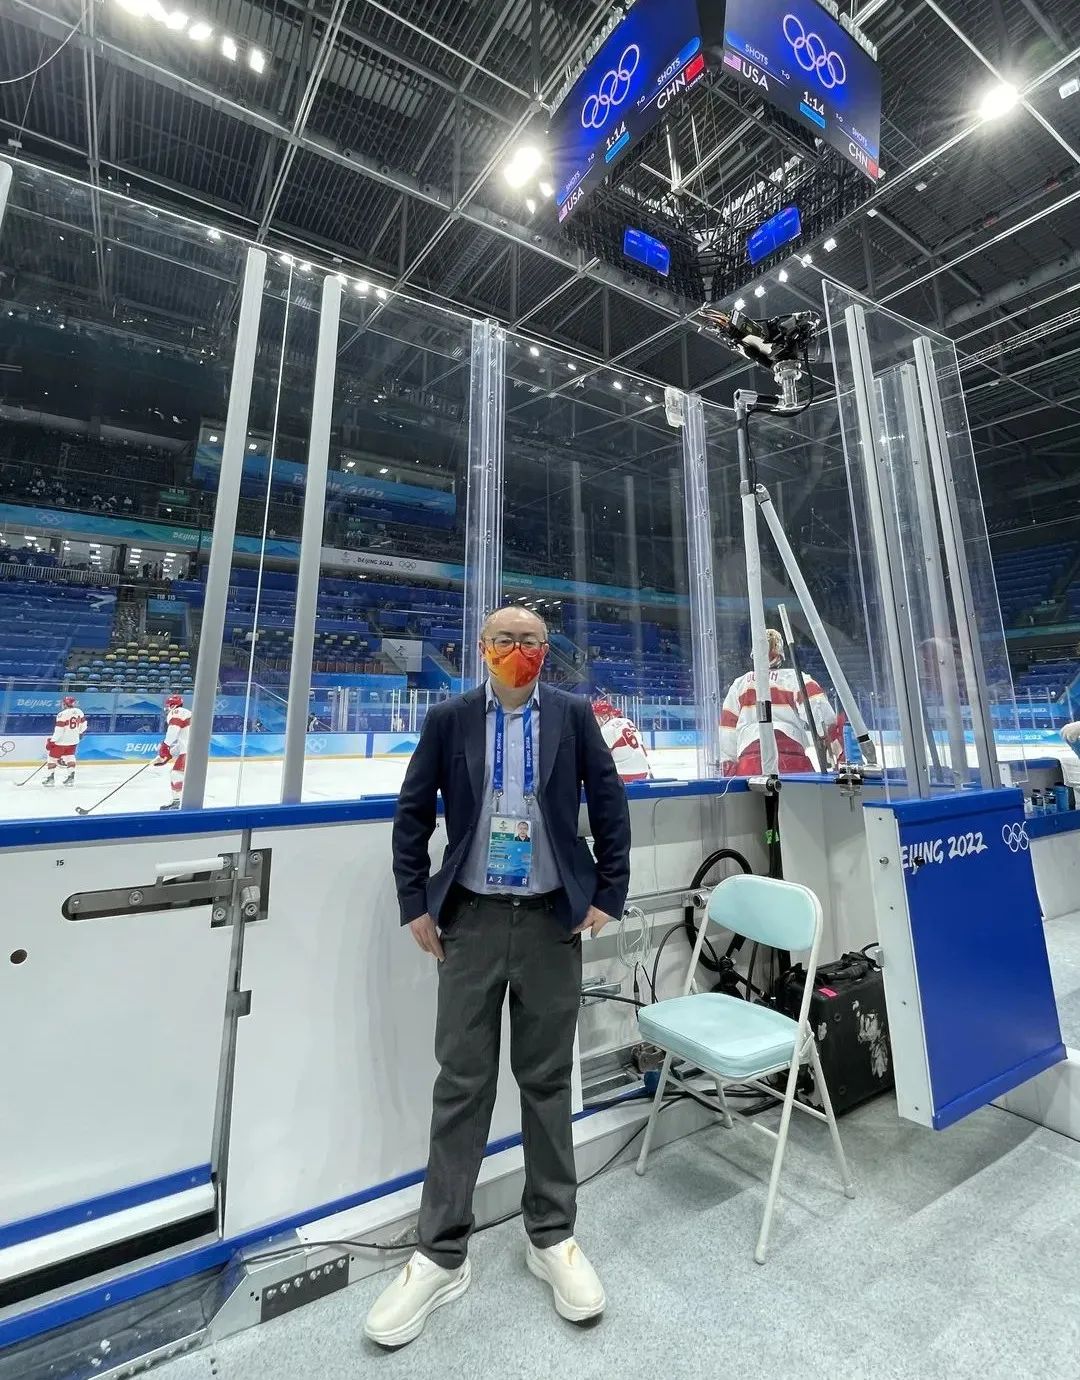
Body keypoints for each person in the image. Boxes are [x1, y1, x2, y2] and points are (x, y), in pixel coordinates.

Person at [369, 606, 630, 1348]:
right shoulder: (450, 719)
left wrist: (608, 893)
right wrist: (414, 901)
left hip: (551, 923)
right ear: (482, 648)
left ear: (548, 651)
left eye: (532, 641)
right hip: (472, 922)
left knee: (547, 1081)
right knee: (462, 1083)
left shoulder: (573, 716)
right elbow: (412, 815)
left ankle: (552, 1235)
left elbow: (610, 803)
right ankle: (440, 1252)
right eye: (505, 640)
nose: (519, 650)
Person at [720, 628, 843, 776]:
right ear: (779, 655)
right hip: (792, 756)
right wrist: (832, 747)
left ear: (754, 654)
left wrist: (728, 766)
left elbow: (727, 730)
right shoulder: (796, 678)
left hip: (749, 758)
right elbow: (822, 715)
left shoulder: (740, 685)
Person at [591, 699, 652, 782]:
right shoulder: (628, 721)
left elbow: (602, 758)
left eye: (595, 717)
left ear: (604, 717)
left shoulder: (606, 729)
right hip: (643, 770)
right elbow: (641, 747)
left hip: (623, 773)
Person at [153, 693, 191, 810]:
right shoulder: (187, 713)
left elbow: (173, 730)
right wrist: (169, 755)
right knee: (179, 774)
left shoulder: (177, 712)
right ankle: (179, 801)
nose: (167, 708)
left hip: (190, 752)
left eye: (168, 705)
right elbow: (182, 743)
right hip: (192, 750)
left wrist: (165, 746)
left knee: (176, 774)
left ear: (173, 706)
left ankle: (177, 802)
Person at [42, 695, 87, 788]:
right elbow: (84, 725)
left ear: (64, 704)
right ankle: (71, 778)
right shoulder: (79, 712)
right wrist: (80, 733)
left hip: (61, 741)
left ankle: (50, 778)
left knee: (52, 759)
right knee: (70, 757)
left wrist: (52, 741)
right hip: (73, 740)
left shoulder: (62, 714)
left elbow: (59, 730)